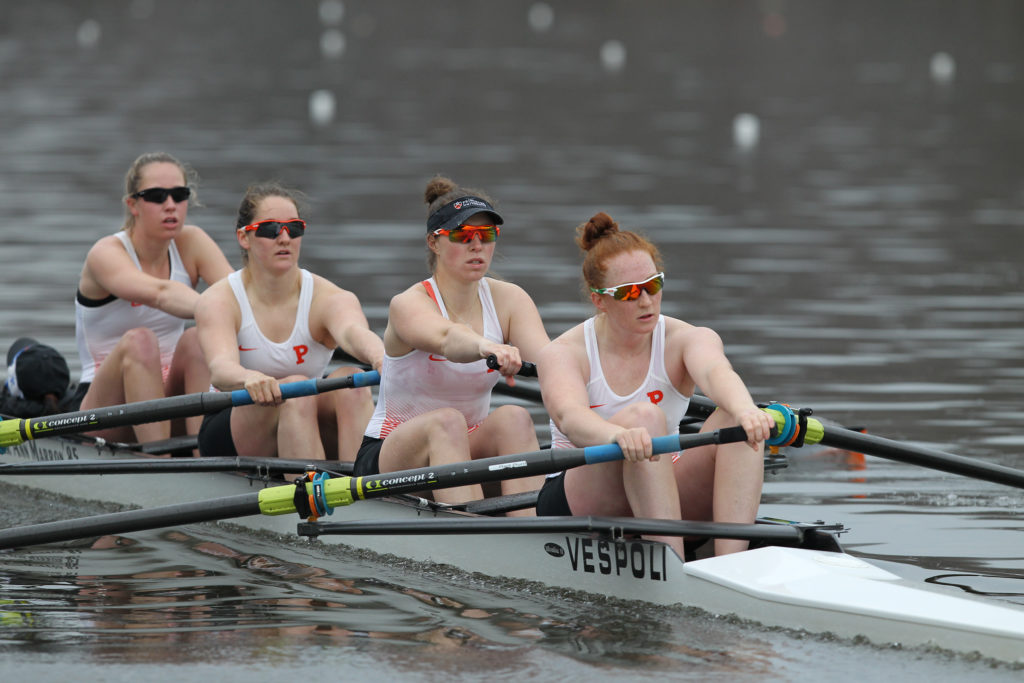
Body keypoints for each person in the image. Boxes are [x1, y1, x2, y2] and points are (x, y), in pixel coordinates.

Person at [535, 212, 775, 556]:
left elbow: (716, 373)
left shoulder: (688, 338)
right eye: (630, 292)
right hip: (581, 494)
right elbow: (570, 418)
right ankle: (672, 563)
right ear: (599, 299)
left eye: (653, 286)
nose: (646, 301)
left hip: (661, 484)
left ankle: (730, 564)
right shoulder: (563, 353)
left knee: (737, 420)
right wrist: (617, 435)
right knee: (644, 418)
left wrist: (748, 410)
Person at [352, 175, 549, 515]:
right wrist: (489, 347)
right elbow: (447, 338)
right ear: (434, 242)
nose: (477, 246)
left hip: (466, 447)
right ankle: (468, 533)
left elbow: (551, 362)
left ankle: (529, 534)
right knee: (447, 421)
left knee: (515, 417)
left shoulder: (510, 300)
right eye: (462, 236)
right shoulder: (408, 304)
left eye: (486, 235)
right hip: (389, 454)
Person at [195, 182, 383, 461]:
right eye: (271, 229)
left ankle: (361, 490)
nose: (284, 238)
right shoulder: (219, 299)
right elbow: (221, 369)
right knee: (295, 386)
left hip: (301, 413)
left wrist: (382, 359)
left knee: (351, 381)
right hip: (233, 426)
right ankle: (312, 489)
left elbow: (353, 333)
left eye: (294, 229)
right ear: (244, 238)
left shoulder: (328, 297)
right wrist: (250, 378)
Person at [75, 152, 233, 444]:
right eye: (157, 196)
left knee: (198, 337)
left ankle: (205, 457)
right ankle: (160, 458)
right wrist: (218, 311)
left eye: (179, 194)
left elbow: (240, 297)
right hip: (103, 410)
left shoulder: (192, 242)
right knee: (141, 341)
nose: (170, 205)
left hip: (168, 400)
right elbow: (161, 294)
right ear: (132, 204)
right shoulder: (106, 253)